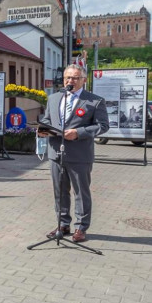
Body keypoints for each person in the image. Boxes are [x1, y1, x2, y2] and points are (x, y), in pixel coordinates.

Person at [39, 64, 109, 242]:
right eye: (67, 78)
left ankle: (81, 227)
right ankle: (62, 223)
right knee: (60, 191)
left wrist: (79, 133)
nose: (70, 81)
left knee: (80, 192)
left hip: (79, 154)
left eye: (75, 78)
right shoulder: (54, 98)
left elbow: (102, 126)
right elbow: (47, 119)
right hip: (56, 152)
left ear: (83, 80)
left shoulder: (95, 101)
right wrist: (42, 129)